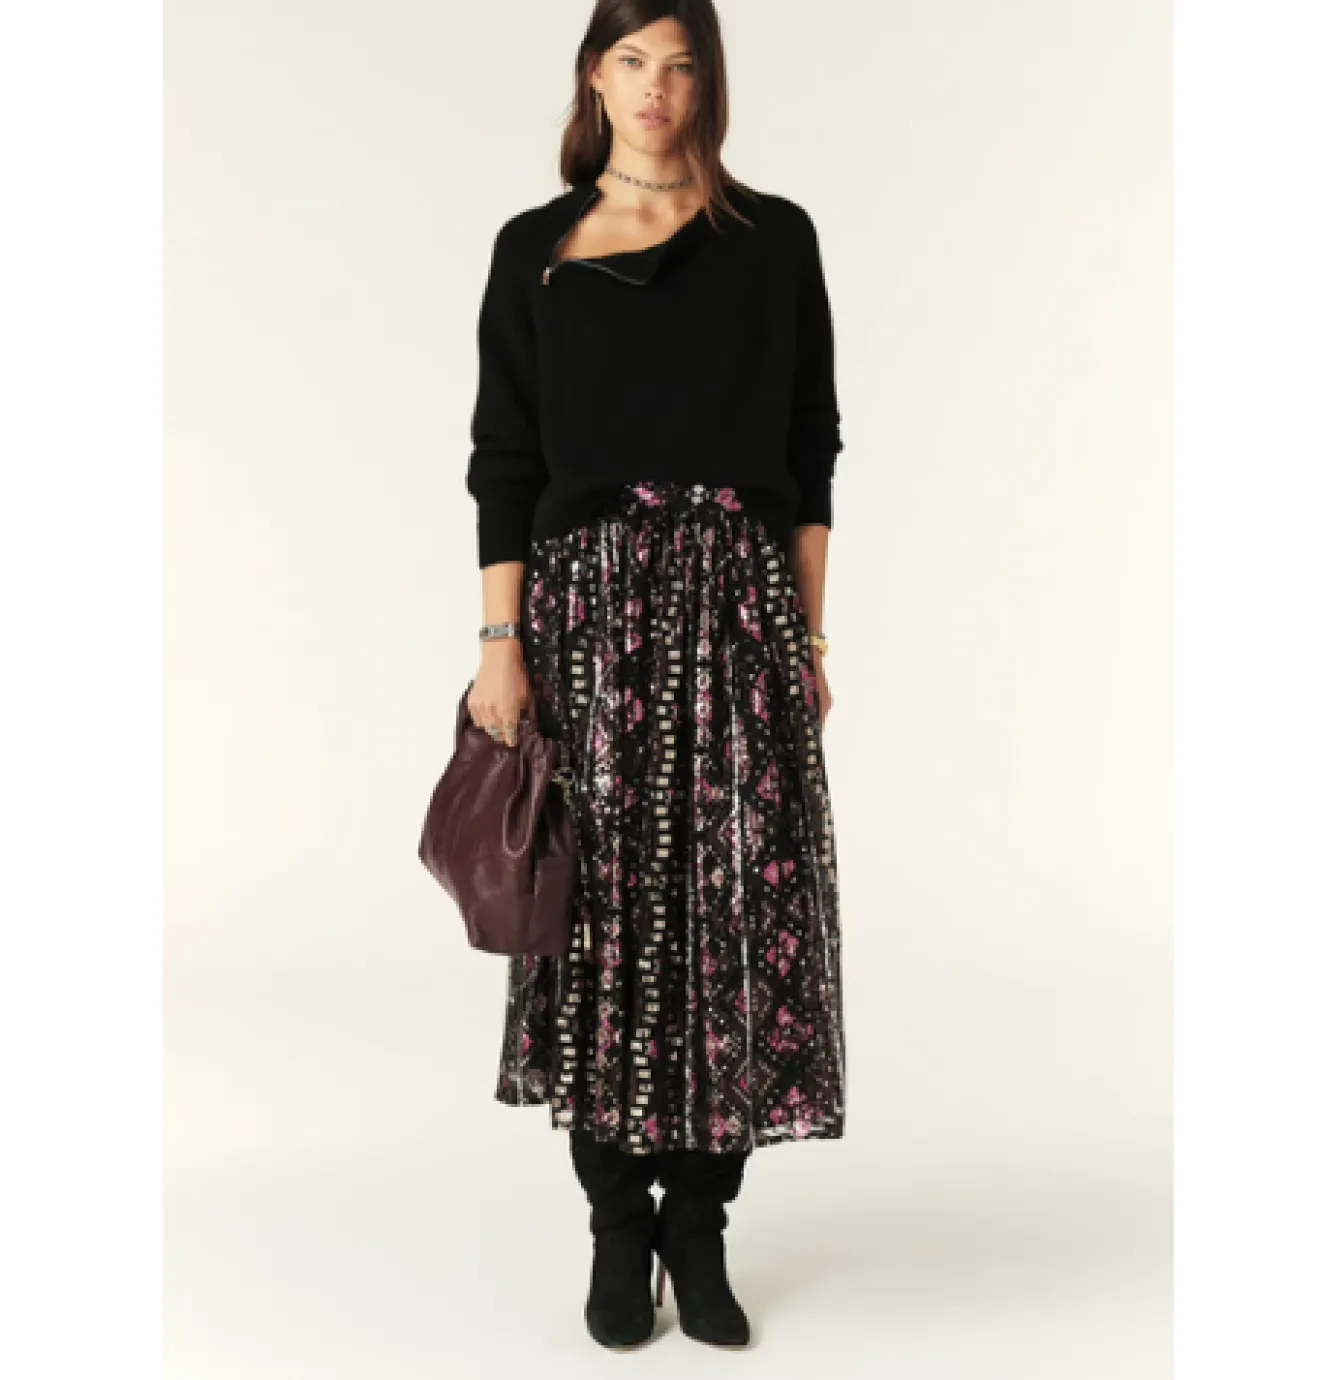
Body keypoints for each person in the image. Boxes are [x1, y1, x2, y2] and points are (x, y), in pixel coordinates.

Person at [463, 0, 846, 1352]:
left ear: (707, 82)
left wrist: (806, 640)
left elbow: (810, 447)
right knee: (604, 912)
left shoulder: (773, 240)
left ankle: (702, 1225)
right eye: (632, 61)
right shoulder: (536, 251)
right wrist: (501, 647)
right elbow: (505, 459)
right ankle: (617, 1227)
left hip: (738, 604)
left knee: (734, 907)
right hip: (585, 617)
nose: (656, 87)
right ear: (594, 75)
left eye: (681, 65)